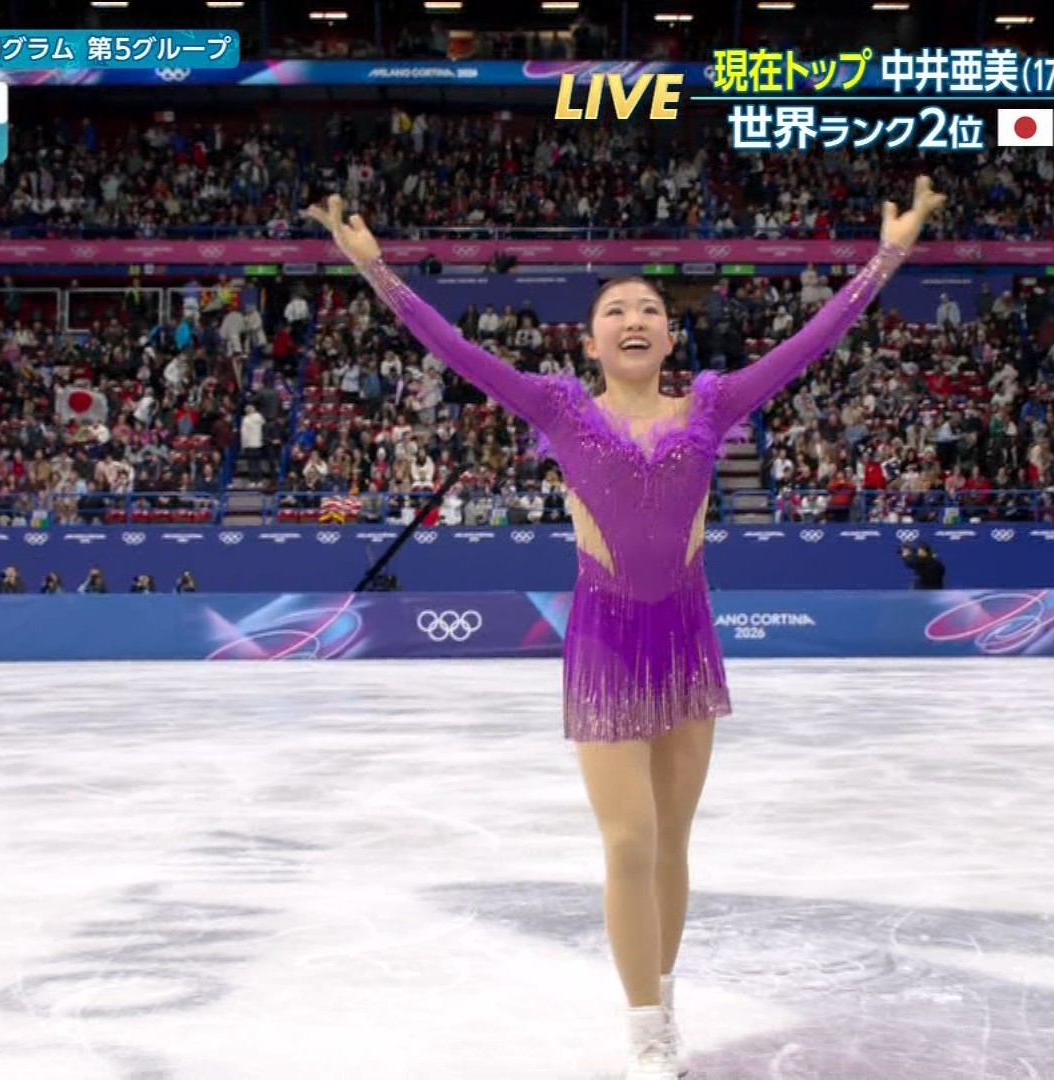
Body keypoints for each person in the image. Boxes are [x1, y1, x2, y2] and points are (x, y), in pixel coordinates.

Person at [307, 176, 946, 1080]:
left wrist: (888, 257)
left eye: (649, 309)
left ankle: (662, 999)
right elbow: (456, 351)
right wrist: (379, 272)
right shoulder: (559, 408)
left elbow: (811, 342)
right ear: (591, 339)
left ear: (671, 335)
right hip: (605, 640)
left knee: (674, 843)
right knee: (629, 841)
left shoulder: (712, 407)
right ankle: (644, 1033)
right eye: (616, 310)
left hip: (686, 636)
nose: (634, 319)